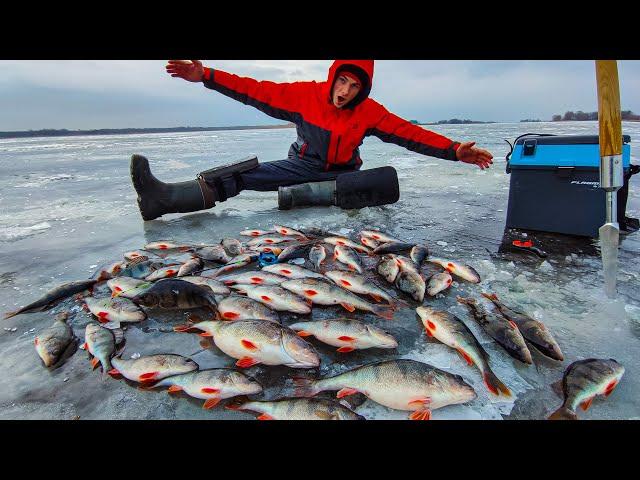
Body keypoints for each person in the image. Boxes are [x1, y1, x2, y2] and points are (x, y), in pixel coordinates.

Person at [131, 60, 493, 220]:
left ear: (362, 89)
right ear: (333, 76)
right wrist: (207, 74)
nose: (345, 91)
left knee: (380, 181)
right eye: (342, 82)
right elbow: (253, 89)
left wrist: (452, 150)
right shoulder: (303, 96)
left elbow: (409, 134)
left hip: (342, 176)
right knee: (242, 175)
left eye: (354, 86)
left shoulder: (370, 112)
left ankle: (309, 199)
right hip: (301, 164)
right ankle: (164, 199)